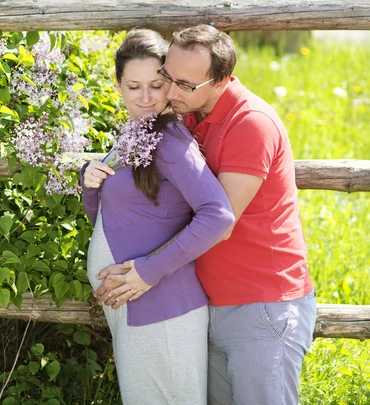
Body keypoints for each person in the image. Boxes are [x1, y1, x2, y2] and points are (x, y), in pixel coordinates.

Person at [98, 24, 317, 405]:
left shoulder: (250, 125)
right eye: (169, 76)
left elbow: (220, 222)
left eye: (184, 84)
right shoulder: (191, 114)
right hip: (213, 302)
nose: (169, 91)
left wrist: (147, 272)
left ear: (221, 81)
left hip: (260, 303)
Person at [81, 28, 234, 405]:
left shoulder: (169, 139)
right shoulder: (135, 134)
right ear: (118, 85)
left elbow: (219, 215)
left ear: (170, 83)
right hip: (136, 310)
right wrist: (90, 182)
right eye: (134, 87)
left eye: (156, 84)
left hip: (162, 309)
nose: (146, 98)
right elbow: (113, 220)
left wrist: (148, 271)